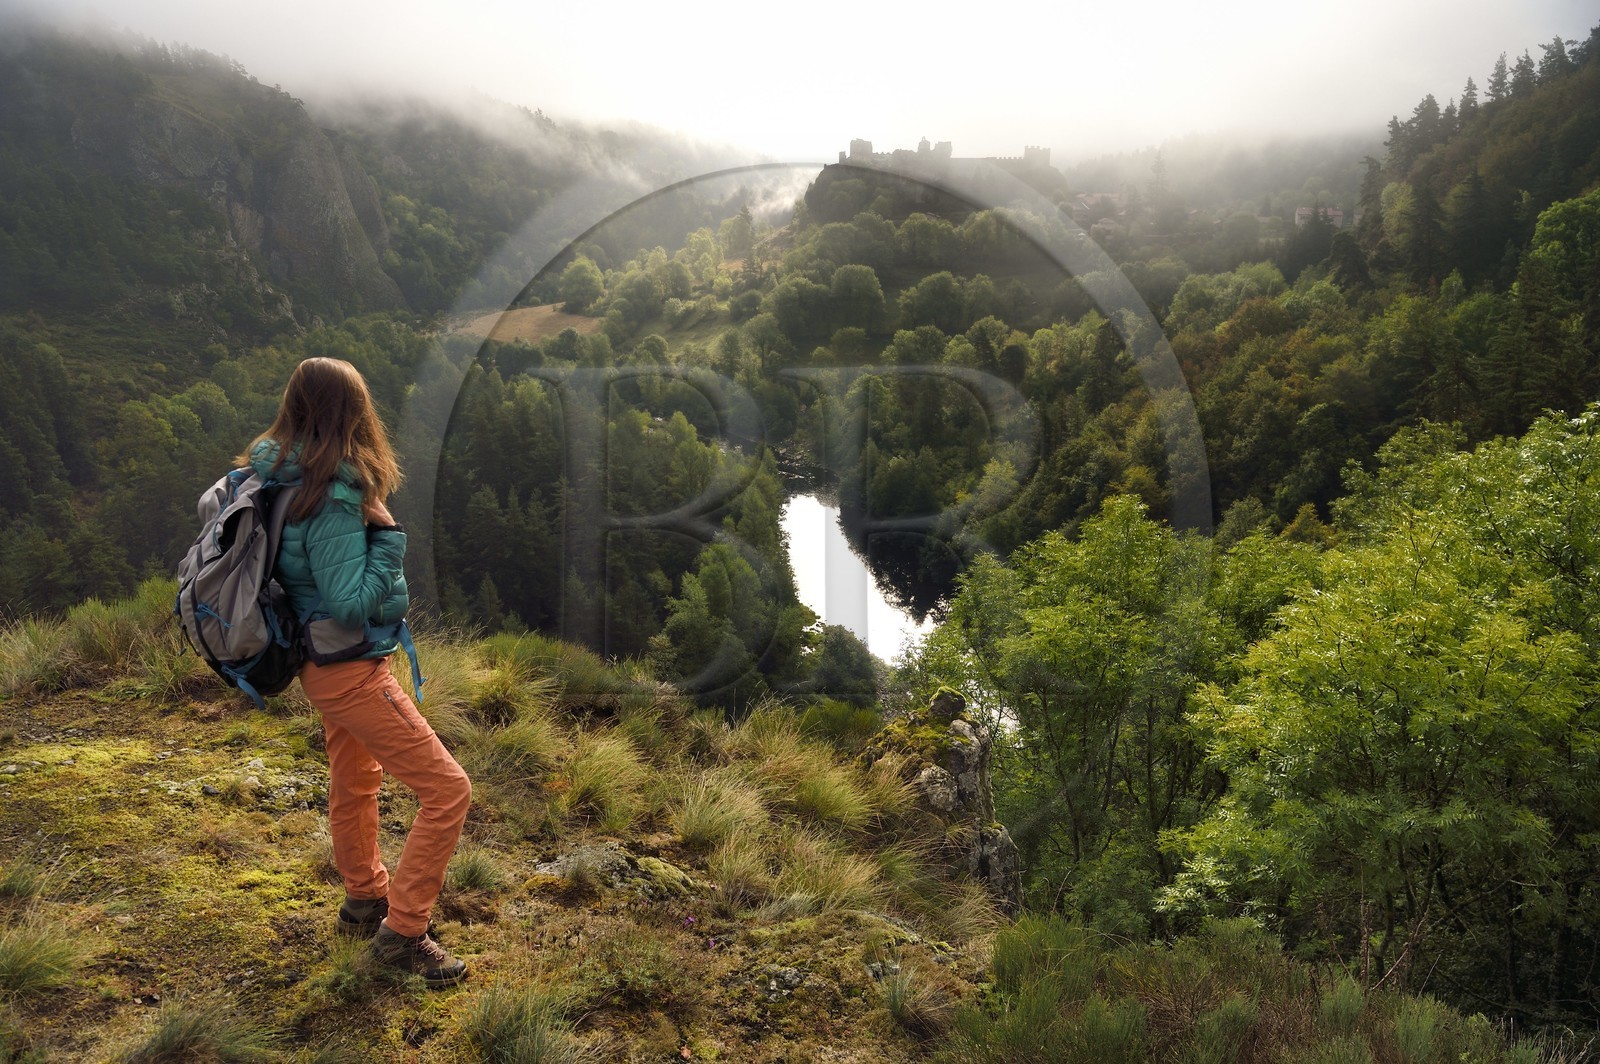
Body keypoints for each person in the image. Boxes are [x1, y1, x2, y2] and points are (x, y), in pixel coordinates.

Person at [242, 356, 471, 987]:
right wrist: (390, 534)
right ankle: (403, 933)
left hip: (321, 663)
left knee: (355, 781)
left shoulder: (279, 476)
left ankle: (364, 899)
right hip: (350, 668)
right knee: (448, 791)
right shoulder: (333, 496)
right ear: (354, 414)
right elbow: (348, 600)